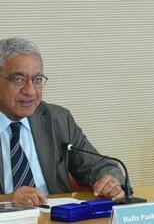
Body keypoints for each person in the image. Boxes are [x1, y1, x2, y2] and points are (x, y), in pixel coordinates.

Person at [0, 37, 126, 207]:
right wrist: (7, 200)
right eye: (18, 80)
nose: (30, 91)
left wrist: (109, 181)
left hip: (55, 215)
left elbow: (100, 166)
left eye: (37, 80)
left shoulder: (57, 119)